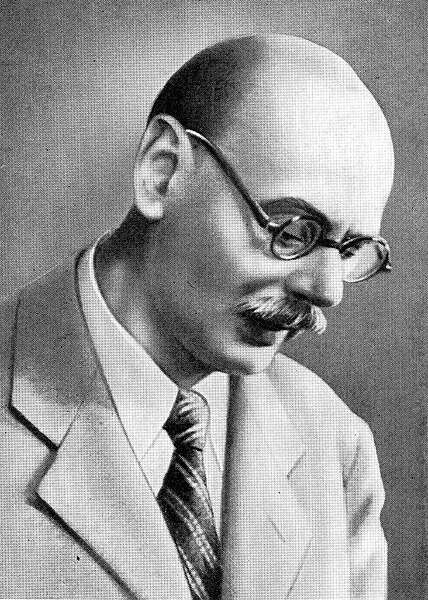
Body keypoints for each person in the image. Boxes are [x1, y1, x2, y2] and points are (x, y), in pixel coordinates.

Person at [0, 34, 394, 599]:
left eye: (352, 249)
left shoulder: (335, 445)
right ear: (162, 173)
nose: (327, 290)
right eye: (292, 231)